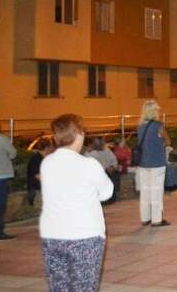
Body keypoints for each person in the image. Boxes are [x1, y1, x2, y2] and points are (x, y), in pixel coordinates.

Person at [40, 114, 114, 292]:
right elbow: (107, 193)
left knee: (59, 287)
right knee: (83, 287)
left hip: (52, 235)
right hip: (84, 235)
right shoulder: (89, 164)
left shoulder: (47, 162)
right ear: (78, 135)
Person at [136, 100, 171, 227]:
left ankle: (145, 218)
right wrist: (161, 144)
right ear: (154, 111)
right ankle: (156, 219)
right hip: (157, 163)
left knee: (145, 191)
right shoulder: (158, 125)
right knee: (156, 191)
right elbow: (168, 141)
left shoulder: (140, 126)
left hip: (143, 163)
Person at [87, 137, 121, 203]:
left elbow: (114, 160)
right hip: (97, 172)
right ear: (94, 144)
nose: (101, 144)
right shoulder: (90, 152)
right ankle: (104, 199)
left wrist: (112, 166)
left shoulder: (107, 150)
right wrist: (105, 168)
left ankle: (112, 196)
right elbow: (90, 165)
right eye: (98, 143)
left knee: (115, 174)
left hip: (109, 170)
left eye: (101, 143)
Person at [27, 138, 54, 206]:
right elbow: (38, 176)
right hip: (37, 190)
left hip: (41, 188)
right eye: (51, 146)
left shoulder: (45, 158)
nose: (52, 148)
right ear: (47, 148)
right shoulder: (36, 159)